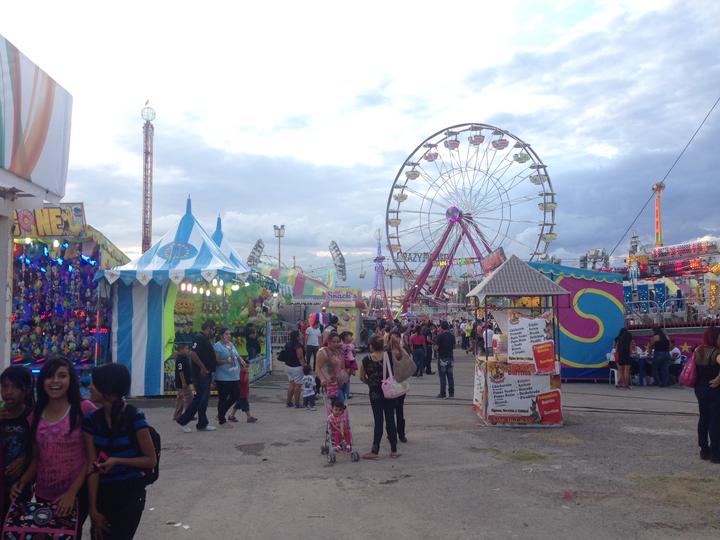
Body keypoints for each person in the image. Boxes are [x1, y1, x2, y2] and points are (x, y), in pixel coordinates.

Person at [13, 358, 97, 530]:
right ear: (42, 381)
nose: (55, 381)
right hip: (43, 494)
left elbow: (91, 458)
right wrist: (21, 482)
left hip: (76, 495)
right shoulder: (35, 414)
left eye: (62, 376)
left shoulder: (84, 409)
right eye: (50, 376)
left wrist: (72, 493)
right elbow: (38, 459)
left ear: (71, 380)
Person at [83, 363, 157, 539]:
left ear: (107, 388)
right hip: (103, 492)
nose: (89, 387)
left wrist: (117, 460)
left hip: (130, 493)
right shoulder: (91, 421)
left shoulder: (134, 417)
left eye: (94, 383)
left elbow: (150, 460)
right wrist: (92, 509)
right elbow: (92, 466)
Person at [0, 366, 34, 521]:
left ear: (26, 390)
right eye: (5, 386)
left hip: (20, 487)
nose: (8, 392)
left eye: (14, 387)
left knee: (13, 528)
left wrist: (25, 460)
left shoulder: (32, 416)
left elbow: (40, 452)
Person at [359, 335, 399, 459]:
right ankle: (394, 450)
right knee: (391, 419)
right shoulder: (390, 356)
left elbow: (362, 377)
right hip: (390, 392)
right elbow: (400, 357)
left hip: (375, 393)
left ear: (371, 346)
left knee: (378, 421)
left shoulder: (366, 360)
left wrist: (372, 383)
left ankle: (375, 451)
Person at [176, 319, 219, 432]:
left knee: (203, 400)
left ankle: (202, 424)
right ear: (208, 328)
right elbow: (193, 353)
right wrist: (202, 367)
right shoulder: (199, 338)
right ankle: (182, 421)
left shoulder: (206, 339)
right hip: (201, 374)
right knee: (199, 399)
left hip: (206, 373)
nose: (214, 331)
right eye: (213, 329)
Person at [692, 327, 720, 463]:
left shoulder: (698, 350)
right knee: (715, 420)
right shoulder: (716, 352)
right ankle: (716, 453)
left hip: (700, 388)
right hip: (714, 389)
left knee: (703, 418)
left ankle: (704, 449)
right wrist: (718, 379)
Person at [214, 328, 243, 428]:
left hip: (234, 376)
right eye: (226, 334)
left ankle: (220, 413)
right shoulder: (218, 346)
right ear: (221, 335)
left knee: (236, 395)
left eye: (229, 334)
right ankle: (222, 419)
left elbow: (237, 355)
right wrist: (226, 362)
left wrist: (242, 361)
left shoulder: (230, 344)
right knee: (223, 398)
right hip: (223, 377)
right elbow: (217, 361)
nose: (229, 336)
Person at [388, 330, 411, 443]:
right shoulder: (386, 351)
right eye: (393, 338)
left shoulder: (404, 349)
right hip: (390, 384)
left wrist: (400, 348)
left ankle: (401, 434)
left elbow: (408, 362)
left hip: (401, 383)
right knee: (390, 411)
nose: (396, 339)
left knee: (399, 409)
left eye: (397, 337)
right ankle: (391, 433)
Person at [316, 332, 346, 401]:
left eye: (338, 342)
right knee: (338, 404)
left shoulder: (338, 351)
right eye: (334, 342)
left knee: (342, 406)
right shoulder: (323, 352)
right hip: (330, 384)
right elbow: (318, 369)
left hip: (340, 382)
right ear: (328, 341)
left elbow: (342, 367)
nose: (336, 344)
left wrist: (345, 376)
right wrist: (322, 379)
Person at [284, 330, 306, 409]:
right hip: (297, 367)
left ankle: (289, 402)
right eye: (300, 334)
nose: (301, 335)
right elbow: (300, 357)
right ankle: (297, 403)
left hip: (288, 366)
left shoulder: (288, 343)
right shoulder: (298, 346)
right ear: (297, 336)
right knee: (298, 385)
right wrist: (304, 366)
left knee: (291, 384)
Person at [172, 342, 194, 421]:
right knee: (183, 399)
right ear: (181, 350)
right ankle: (179, 415)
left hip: (186, 382)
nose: (187, 350)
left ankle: (185, 414)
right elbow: (180, 371)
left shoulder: (185, 357)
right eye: (186, 348)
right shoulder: (180, 359)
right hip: (182, 383)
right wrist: (183, 382)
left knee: (187, 398)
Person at [436, 321, 456, 399]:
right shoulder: (452, 336)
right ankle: (451, 393)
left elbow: (436, 347)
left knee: (442, 376)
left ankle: (443, 393)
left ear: (441, 327)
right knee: (450, 376)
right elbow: (454, 347)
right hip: (450, 358)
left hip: (442, 358)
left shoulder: (439, 336)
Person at [339, 331, 358, 400]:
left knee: (347, 377)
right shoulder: (350, 345)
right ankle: (346, 392)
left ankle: (345, 392)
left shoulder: (341, 345)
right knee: (347, 378)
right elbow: (354, 352)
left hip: (347, 362)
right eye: (350, 336)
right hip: (348, 362)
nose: (352, 338)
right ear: (346, 337)